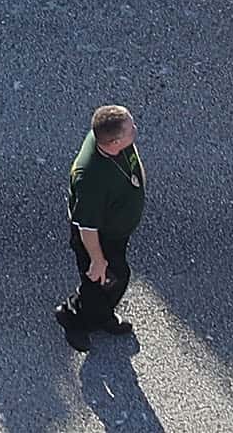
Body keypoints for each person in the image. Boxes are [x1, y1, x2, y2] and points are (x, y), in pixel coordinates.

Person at [58, 104, 145, 348]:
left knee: (104, 282)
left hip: (114, 231)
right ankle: (74, 320)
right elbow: (87, 228)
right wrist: (97, 259)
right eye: (130, 129)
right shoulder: (91, 178)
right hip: (98, 240)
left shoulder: (108, 142)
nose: (135, 129)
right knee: (104, 279)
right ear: (115, 142)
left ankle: (97, 313)